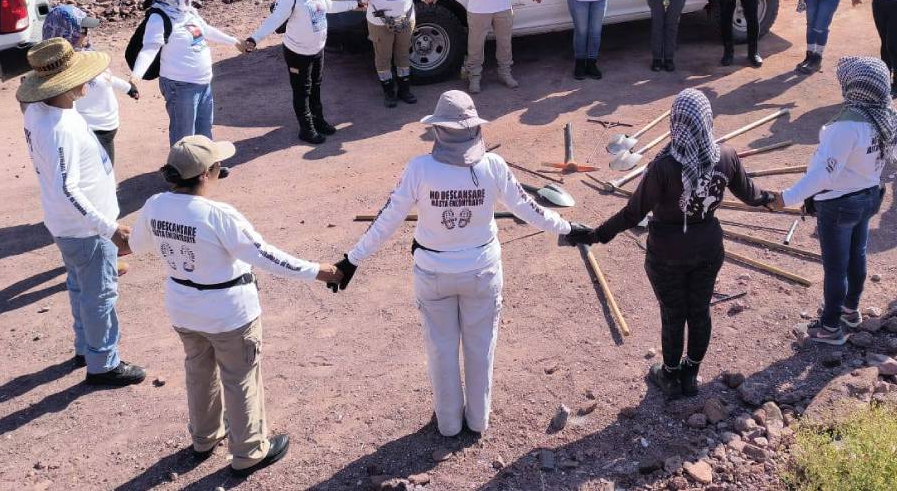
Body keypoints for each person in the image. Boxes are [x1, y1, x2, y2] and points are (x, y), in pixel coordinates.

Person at [335, 91, 583, 436]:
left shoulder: (419, 170)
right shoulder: (493, 167)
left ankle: (449, 423)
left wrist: (352, 260)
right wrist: (568, 227)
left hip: (433, 273)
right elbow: (529, 209)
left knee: (440, 349)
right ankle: (478, 419)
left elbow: (388, 219)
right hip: (482, 271)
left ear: (438, 131)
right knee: (481, 348)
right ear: (474, 129)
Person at [128, 135, 344, 476]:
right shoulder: (219, 215)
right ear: (206, 174)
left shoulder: (155, 205)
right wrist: (319, 271)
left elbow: (136, 245)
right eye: (217, 166)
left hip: (183, 306)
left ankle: (204, 437)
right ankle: (249, 451)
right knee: (240, 376)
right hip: (229, 311)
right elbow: (266, 256)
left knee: (198, 372)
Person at [566, 89, 775, 397]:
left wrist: (597, 235)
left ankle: (670, 375)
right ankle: (691, 375)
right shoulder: (726, 156)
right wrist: (774, 200)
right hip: (708, 248)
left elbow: (633, 213)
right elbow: (751, 194)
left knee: (673, 314)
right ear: (707, 121)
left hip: (667, 254)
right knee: (700, 310)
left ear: (675, 121)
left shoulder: (664, 165)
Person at [770, 58, 897, 345]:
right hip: (869, 196)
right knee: (857, 254)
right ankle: (850, 310)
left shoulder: (845, 127)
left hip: (839, 203)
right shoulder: (891, 116)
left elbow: (824, 175)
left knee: (835, 266)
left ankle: (830, 327)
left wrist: (787, 198)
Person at [18, 38, 146, 386]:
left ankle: (85, 348)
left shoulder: (41, 112)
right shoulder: (58, 130)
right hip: (84, 230)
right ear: (65, 84)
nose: (88, 81)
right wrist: (109, 228)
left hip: (66, 226)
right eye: (81, 76)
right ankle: (103, 363)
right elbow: (68, 188)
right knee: (99, 294)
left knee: (79, 286)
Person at [130, 0, 242, 146]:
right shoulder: (158, 18)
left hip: (203, 83)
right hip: (180, 86)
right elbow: (150, 49)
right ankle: (183, 172)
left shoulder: (188, 12)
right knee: (183, 135)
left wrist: (234, 42)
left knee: (204, 129)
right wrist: (136, 76)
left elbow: (206, 30)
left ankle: (206, 168)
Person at [245, 0, 336, 144]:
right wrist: (254, 39)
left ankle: (319, 121)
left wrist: (356, 3)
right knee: (302, 91)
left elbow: (330, 6)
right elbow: (274, 20)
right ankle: (306, 129)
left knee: (316, 87)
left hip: (317, 49)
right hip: (298, 53)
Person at [42, 5, 139, 165]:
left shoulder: (88, 54)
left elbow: (106, 78)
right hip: (91, 131)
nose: (88, 34)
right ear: (65, 33)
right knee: (101, 178)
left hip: (106, 128)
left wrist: (128, 88)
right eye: (83, 30)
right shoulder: (62, 68)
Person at [358, 0, 426, 108]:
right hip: (381, 22)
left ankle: (405, 90)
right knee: (383, 57)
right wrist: (361, 0)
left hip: (405, 19)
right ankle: (389, 92)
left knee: (403, 55)